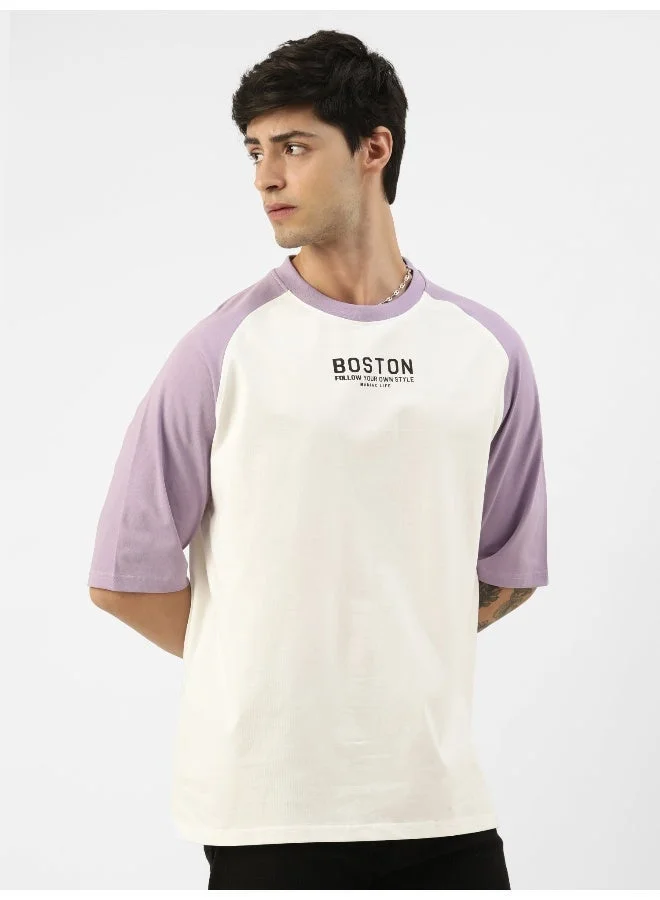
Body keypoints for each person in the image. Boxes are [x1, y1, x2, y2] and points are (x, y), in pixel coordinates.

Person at [87, 28, 548, 890]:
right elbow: (123, 577)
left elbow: (508, 570)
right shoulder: (221, 349)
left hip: (440, 803)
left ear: (374, 148)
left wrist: (383, 652)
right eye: (254, 151)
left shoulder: (486, 350)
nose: (266, 176)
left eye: (294, 147)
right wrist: (274, 664)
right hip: (270, 810)